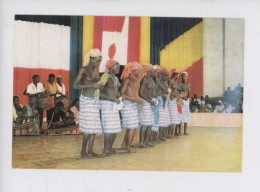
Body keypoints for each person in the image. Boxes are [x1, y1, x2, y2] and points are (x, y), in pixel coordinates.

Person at [73, 49, 103, 158]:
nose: (98, 63)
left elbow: (99, 84)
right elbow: (75, 85)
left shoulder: (95, 71)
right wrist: (91, 86)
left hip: (94, 100)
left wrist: (101, 83)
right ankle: (83, 151)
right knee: (87, 127)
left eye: (100, 61)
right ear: (91, 59)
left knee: (94, 126)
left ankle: (90, 150)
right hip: (86, 100)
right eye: (97, 61)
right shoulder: (84, 70)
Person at [100, 59, 122, 155]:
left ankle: (110, 147)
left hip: (114, 105)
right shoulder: (105, 77)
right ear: (110, 68)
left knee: (116, 127)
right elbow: (98, 92)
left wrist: (119, 97)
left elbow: (116, 92)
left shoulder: (116, 79)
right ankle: (105, 149)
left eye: (118, 66)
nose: (118, 68)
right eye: (116, 66)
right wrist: (111, 99)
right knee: (109, 128)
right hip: (106, 104)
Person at [120, 62, 143, 153]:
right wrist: (134, 99)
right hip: (127, 105)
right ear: (134, 70)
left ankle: (127, 144)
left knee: (134, 126)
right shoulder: (127, 80)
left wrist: (139, 100)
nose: (140, 72)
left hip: (134, 105)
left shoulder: (136, 80)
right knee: (132, 126)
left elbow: (135, 93)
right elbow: (122, 94)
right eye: (139, 70)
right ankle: (128, 146)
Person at [138, 64, 156, 148]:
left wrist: (154, 100)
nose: (154, 72)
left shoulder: (152, 80)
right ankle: (140, 142)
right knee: (144, 123)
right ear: (148, 71)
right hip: (145, 103)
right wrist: (149, 101)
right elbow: (140, 93)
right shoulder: (144, 80)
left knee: (150, 123)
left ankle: (146, 141)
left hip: (151, 103)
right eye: (152, 70)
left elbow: (152, 92)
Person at [168, 69, 182, 138]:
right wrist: (176, 95)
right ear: (174, 75)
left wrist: (179, 94)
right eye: (177, 75)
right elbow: (169, 91)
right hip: (171, 100)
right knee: (172, 117)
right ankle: (169, 134)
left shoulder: (176, 82)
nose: (178, 76)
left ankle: (172, 134)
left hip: (175, 100)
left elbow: (176, 91)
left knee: (174, 118)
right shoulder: (170, 81)